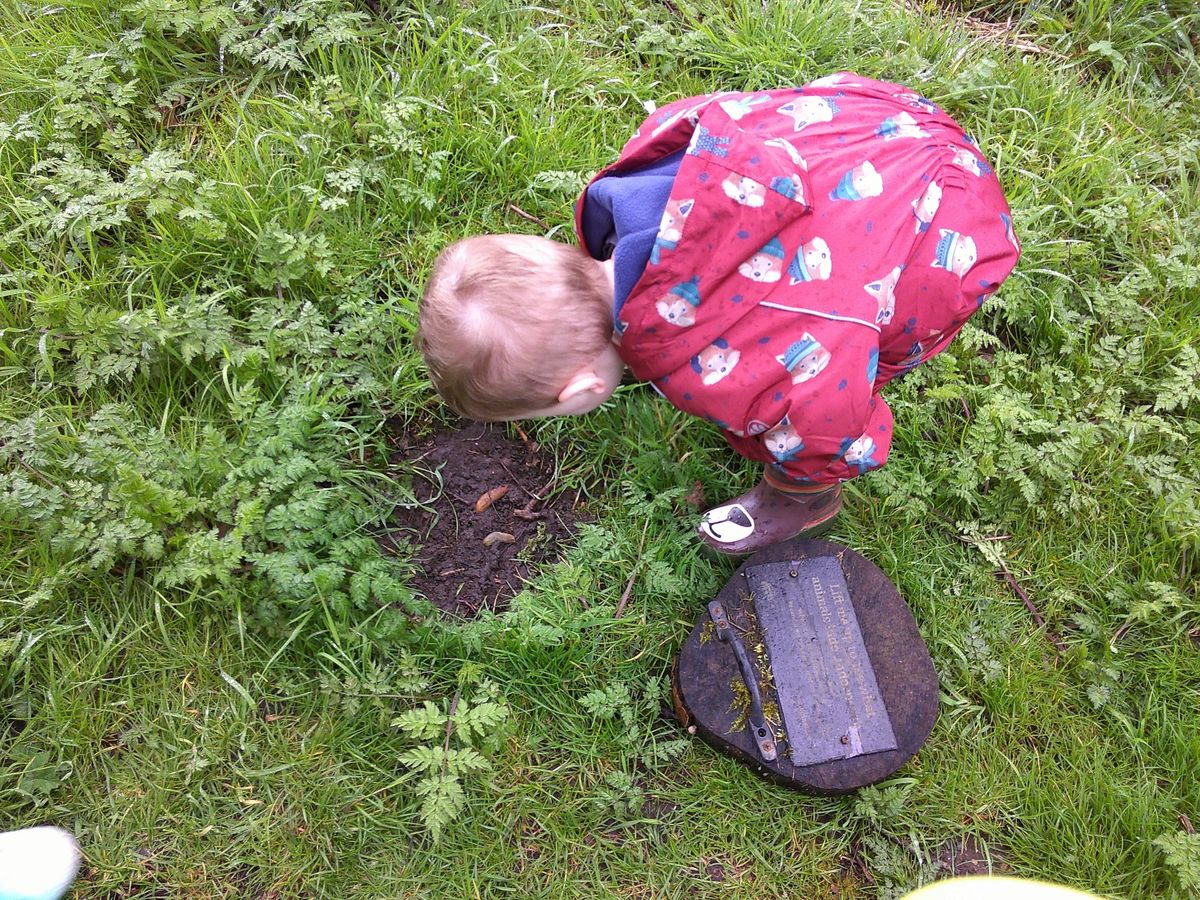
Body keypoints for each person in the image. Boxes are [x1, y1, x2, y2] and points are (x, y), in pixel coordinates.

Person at [418, 73, 1020, 554]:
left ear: (582, 389)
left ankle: (803, 503)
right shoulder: (638, 181)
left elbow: (823, 417)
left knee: (845, 363)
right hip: (873, 126)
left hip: (947, 229)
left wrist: (807, 460)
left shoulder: (729, 369)